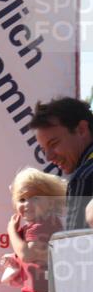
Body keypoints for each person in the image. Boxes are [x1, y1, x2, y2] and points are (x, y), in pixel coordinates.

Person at [31, 97, 93, 231]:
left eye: (53, 144)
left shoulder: (84, 176)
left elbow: (74, 246)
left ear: (82, 129)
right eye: (43, 150)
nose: (48, 157)